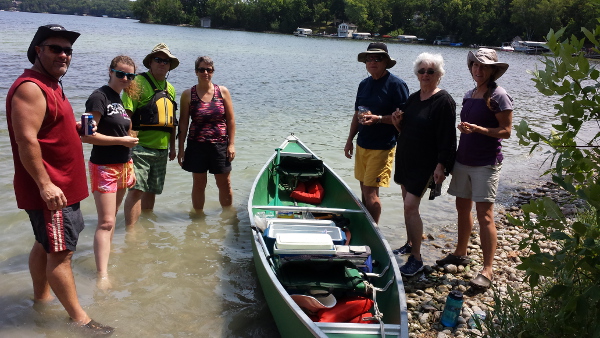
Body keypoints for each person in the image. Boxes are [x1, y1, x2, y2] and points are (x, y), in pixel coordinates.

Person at [6, 24, 114, 335]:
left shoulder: (52, 84)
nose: (64, 55)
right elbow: (27, 141)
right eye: (55, 48)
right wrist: (45, 185)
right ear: (38, 50)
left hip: (63, 188)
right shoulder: (31, 87)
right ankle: (80, 320)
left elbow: (54, 132)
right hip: (53, 191)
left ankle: (41, 299)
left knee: (45, 245)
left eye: (68, 50)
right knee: (61, 254)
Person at [435, 48, 513, 289]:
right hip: (463, 160)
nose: (478, 70)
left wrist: (479, 130)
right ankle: (460, 252)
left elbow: (507, 132)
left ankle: (487, 270)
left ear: (492, 70)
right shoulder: (470, 94)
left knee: (485, 215)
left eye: (483, 66)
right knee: (461, 208)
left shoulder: (499, 95)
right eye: (474, 66)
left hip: (486, 162)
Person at [390, 53, 457, 276]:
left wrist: (442, 166)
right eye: (422, 71)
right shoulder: (413, 98)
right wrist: (398, 123)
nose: (425, 75)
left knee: (411, 206)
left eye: (431, 71)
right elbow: (406, 129)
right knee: (406, 203)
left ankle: (416, 259)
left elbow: (448, 138)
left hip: (426, 162)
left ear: (439, 75)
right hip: (406, 157)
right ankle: (410, 243)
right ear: (417, 74)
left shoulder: (444, 101)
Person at [81, 55, 140, 289]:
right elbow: (87, 136)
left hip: (124, 165)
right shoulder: (99, 97)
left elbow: (125, 135)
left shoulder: (120, 98)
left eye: (130, 75)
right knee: (105, 222)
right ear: (111, 71)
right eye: (121, 73)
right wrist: (122, 141)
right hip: (104, 166)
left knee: (113, 216)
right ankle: (102, 276)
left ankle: (107, 256)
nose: (125, 78)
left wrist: (130, 158)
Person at [344, 42, 409, 224]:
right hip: (362, 144)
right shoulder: (364, 84)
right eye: (369, 58)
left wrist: (379, 118)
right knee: (364, 189)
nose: (373, 62)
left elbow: (404, 119)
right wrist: (350, 140)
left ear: (386, 62)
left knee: (370, 193)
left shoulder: (396, 85)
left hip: (382, 146)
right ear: (365, 63)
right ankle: (367, 226)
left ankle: (374, 234)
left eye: (378, 58)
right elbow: (357, 114)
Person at [122, 43, 179, 226]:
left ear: (170, 65)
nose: (162, 64)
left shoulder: (170, 89)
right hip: (140, 147)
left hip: (161, 150)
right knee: (137, 190)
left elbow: (171, 120)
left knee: (151, 191)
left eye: (166, 61)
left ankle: (145, 226)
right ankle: (131, 232)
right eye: (158, 60)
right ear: (150, 63)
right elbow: (126, 115)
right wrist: (128, 143)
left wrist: (173, 148)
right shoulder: (137, 83)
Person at [177, 56, 236, 211]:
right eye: (201, 69)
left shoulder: (222, 92)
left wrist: (231, 144)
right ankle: (197, 219)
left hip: (219, 145)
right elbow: (183, 123)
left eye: (209, 69)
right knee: (198, 184)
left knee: (224, 183)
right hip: (196, 146)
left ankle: (228, 216)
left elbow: (230, 120)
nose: (205, 72)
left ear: (213, 71)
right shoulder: (188, 94)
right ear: (196, 71)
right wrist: (180, 148)